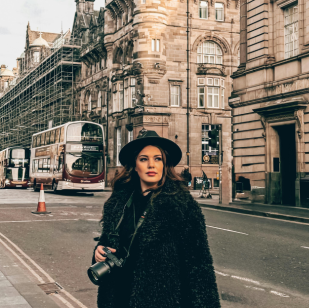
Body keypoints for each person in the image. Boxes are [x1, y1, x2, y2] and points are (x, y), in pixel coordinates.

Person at [92, 130, 220, 308]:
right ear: (135, 166)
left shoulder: (182, 205)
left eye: (157, 158)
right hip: (118, 298)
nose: (151, 164)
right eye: (144, 159)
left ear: (165, 164)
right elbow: (108, 244)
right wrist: (98, 252)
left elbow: (199, 267)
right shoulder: (118, 203)